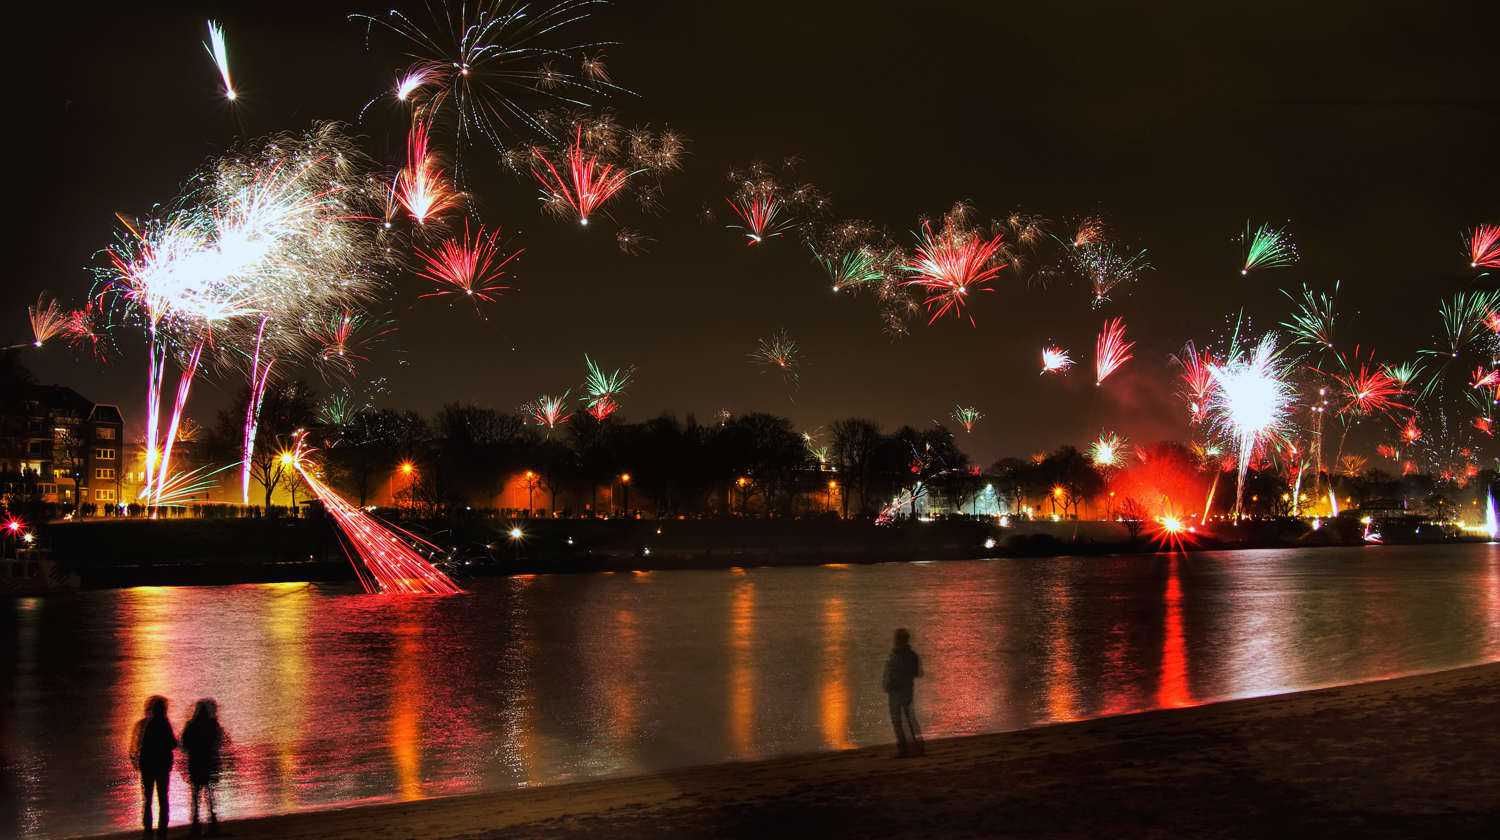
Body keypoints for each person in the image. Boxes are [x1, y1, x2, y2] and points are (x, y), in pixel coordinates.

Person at [129, 695, 177, 837]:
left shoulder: (145, 724)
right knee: (163, 798)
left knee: (147, 799)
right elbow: (173, 743)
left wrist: (138, 763)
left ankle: (148, 830)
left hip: (148, 767)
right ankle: (162, 830)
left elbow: (139, 747)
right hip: (162, 766)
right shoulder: (164, 724)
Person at [181, 699, 227, 836]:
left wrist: (193, 751)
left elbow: (184, 743)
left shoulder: (191, 725)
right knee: (210, 794)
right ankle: (212, 823)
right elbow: (219, 741)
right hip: (209, 762)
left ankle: (196, 825)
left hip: (195, 762)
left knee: (196, 795)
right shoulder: (213, 725)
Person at [882, 627, 924, 757]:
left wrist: (889, 685)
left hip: (896, 692)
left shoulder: (895, 656)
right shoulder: (912, 655)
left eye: (895, 638)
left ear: (898, 640)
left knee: (897, 720)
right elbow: (918, 673)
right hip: (907, 691)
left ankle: (904, 749)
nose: (894, 640)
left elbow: (893, 675)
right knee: (910, 719)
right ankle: (917, 747)